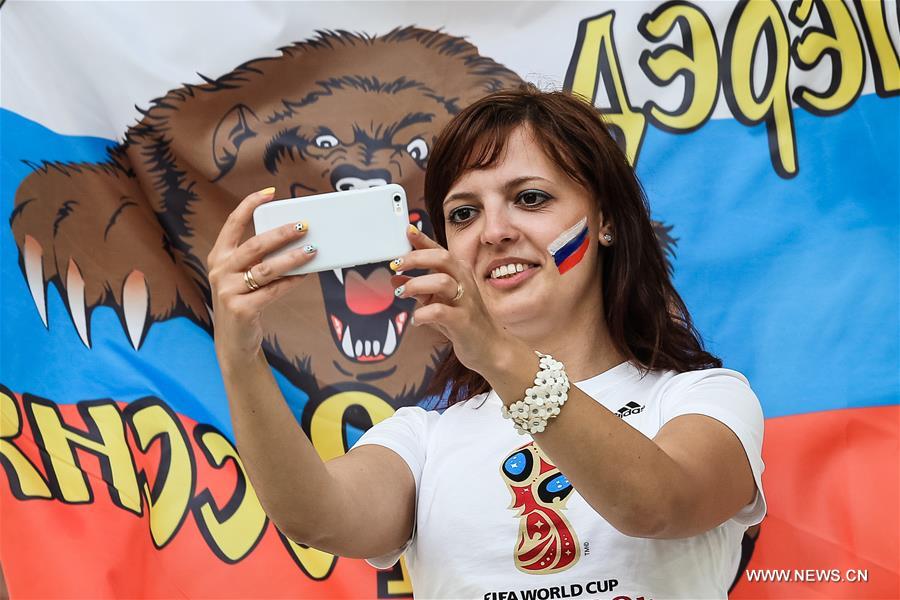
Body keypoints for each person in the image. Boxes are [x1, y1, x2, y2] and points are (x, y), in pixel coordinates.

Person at [207, 85, 766, 599]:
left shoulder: (703, 399)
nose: (494, 232)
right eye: (464, 213)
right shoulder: (424, 438)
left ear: (606, 221)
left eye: (530, 198)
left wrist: (497, 353)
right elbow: (317, 517)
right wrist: (238, 354)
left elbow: (655, 506)